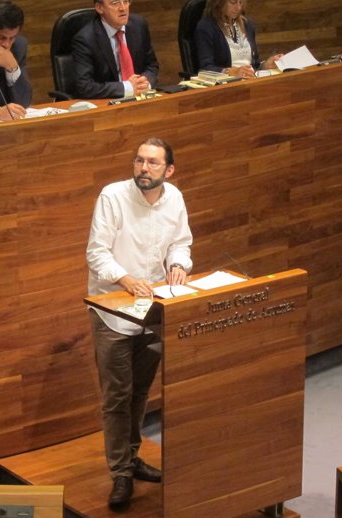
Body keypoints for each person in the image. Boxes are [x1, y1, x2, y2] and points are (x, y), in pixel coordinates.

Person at [86, 137, 193, 511]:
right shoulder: (112, 197)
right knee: (116, 396)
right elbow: (96, 253)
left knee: (140, 391)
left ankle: (131, 458)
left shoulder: (174, 198)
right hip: (112, 312)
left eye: (152, 163)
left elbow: (181, 243)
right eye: (139, 161)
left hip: (152, 310)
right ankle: (120, 472)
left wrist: (179, 264)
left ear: (169, 170)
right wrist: (125, 278)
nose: (143, 168)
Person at [72, 0, 159, 99]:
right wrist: (128, 88)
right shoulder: (86, 39)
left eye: (125, 1)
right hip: (109, 103)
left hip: (141, 97)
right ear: (100, 8)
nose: (123, 8)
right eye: (115, 3)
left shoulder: (139, 25)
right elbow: (85, 86)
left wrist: (145, 83)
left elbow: (152, 65)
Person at [194, 0, 281, 79]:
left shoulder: (247, 24)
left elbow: (254, 65)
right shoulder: (206, 27)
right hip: (227, 85)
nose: (238, 8)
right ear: (219, 2)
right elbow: (205, 68)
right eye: (233, 2)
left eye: (241, 2)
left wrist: (265, 66)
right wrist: (230, 72)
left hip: (251, 80)